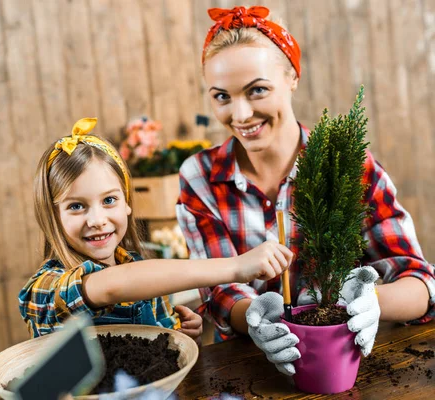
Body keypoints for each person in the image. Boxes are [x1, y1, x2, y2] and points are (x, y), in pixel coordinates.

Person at [176, 5, 435, 374]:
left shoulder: (347, 166)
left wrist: (371, 302)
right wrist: (257, 318)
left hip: (347, 364)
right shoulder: (199, 177)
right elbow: (219, 291)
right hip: (248, 368)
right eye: (222, 96)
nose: (241, 114)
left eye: (258, 90)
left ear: (292, 77)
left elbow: (419, 280)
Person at [19, 117, 294, 343]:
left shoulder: (146, 277)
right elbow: (113, 285)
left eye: (109, 200)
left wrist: (180, 336)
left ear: (127, 202)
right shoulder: (46, 289)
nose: (97, 219)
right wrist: (235, 267)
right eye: (77, 206)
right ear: (52, 216)